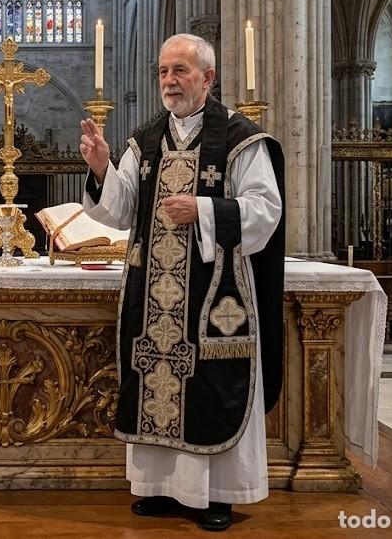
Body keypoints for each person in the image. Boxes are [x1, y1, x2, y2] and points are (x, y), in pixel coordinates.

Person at [79, 34, 285, 532]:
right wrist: (103, 167)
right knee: (154, 379)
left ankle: (215, 494)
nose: (169, 81)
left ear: (208, 78)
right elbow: (120, 208)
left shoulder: (239, 139)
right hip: (152, 295)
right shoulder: (145, 139)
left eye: (180, 71)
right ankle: (161, 487)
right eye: (163, 72)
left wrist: (206, 209)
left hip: (215, 293)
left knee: (211, 388)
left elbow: (266, 208)